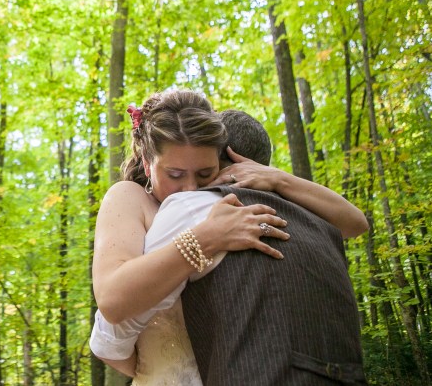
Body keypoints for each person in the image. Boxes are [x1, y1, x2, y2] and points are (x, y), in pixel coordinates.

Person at [90, 91, 368, 384]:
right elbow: (111, 305)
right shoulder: (128, 196)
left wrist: (276, 178)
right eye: (174, 174)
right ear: (148, 163)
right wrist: (205, 239)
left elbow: (355, 224)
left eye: (205, 173)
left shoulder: (222, 202)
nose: (190, 189)